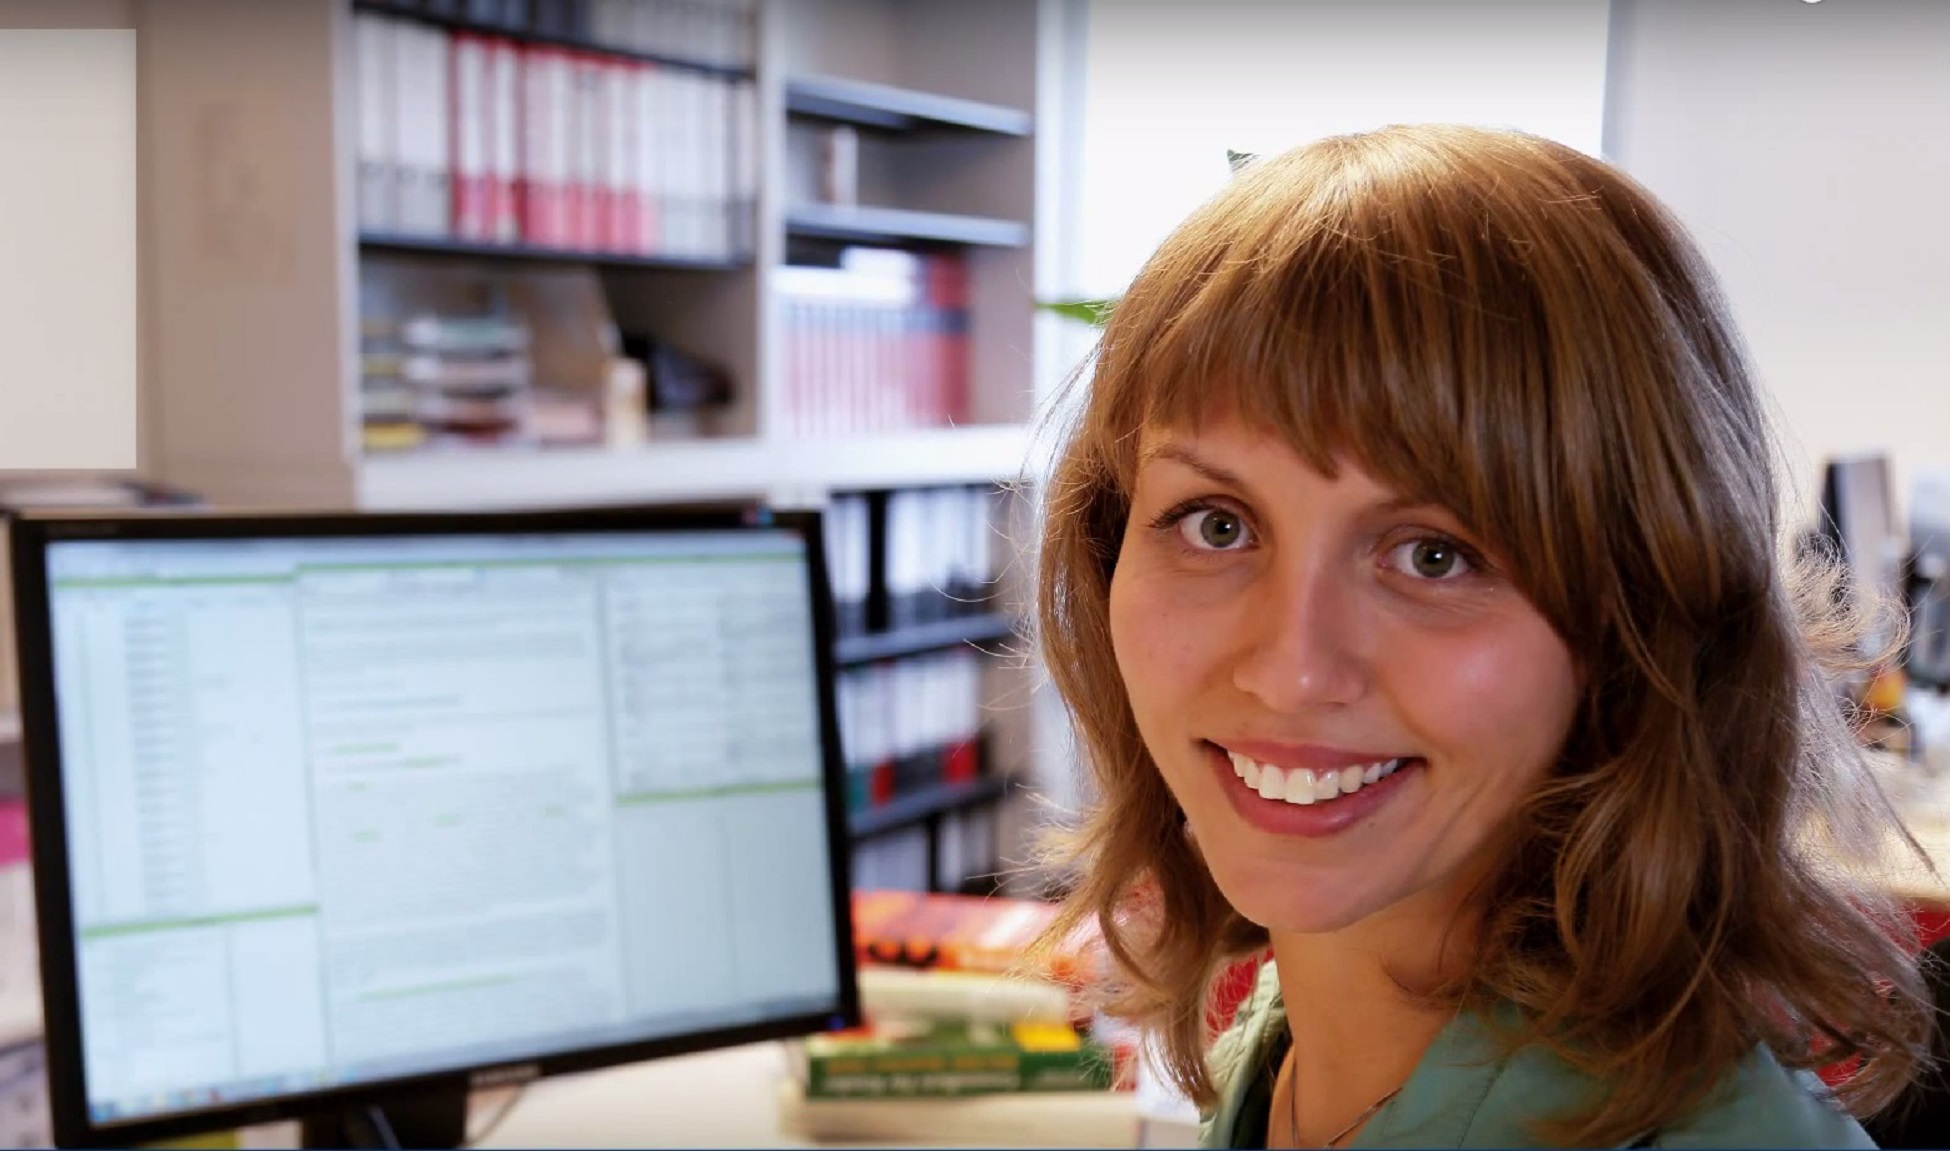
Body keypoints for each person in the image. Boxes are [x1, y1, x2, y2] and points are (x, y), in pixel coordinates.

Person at [1027, 124, 1932, 1148]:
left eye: (1434, 554)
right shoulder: (1273, 1055)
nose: (1291, 668)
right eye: (1217, 525)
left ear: (1637, 614)